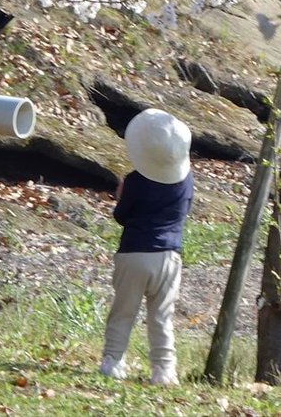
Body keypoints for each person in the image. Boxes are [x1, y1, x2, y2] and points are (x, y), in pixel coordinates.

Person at [100, 109, 194, 385]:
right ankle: (164, 370)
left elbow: (122, 216)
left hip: (135, 253)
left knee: (123, 312)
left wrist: (120, 196)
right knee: (162, 316)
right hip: (169, 256)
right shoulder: (186, 180)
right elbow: (183, 211)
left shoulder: (135, 181)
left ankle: (113, 361)